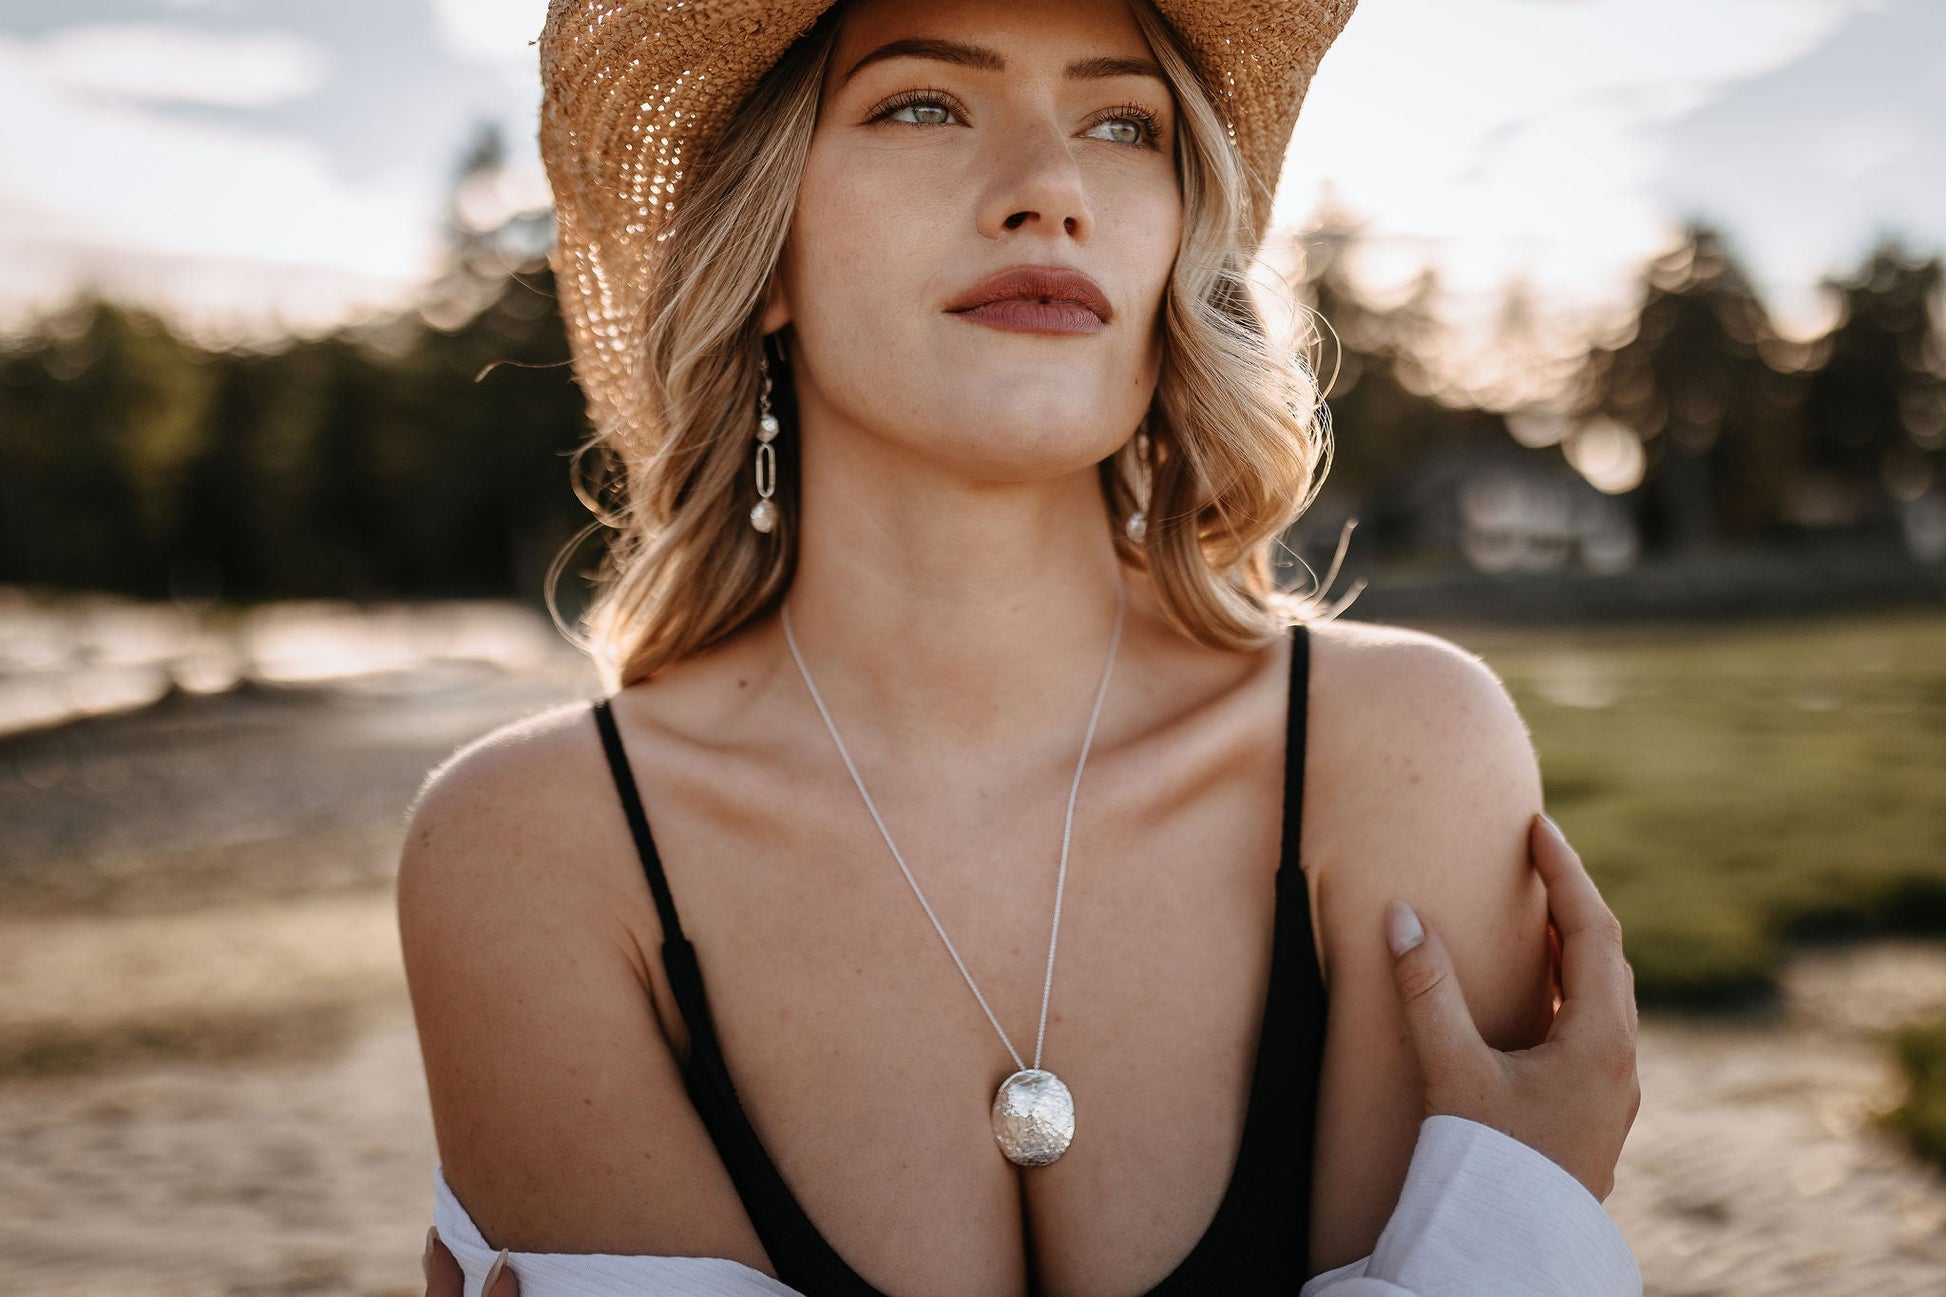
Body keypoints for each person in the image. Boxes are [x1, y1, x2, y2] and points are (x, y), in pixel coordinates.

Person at [399, 0, 1644, 1293]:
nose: (1051, 190)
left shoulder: (1400, 754)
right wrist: (1512, 1240)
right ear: (763, 252)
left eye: (1123, 124)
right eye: (922, 105)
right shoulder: (532, 848)